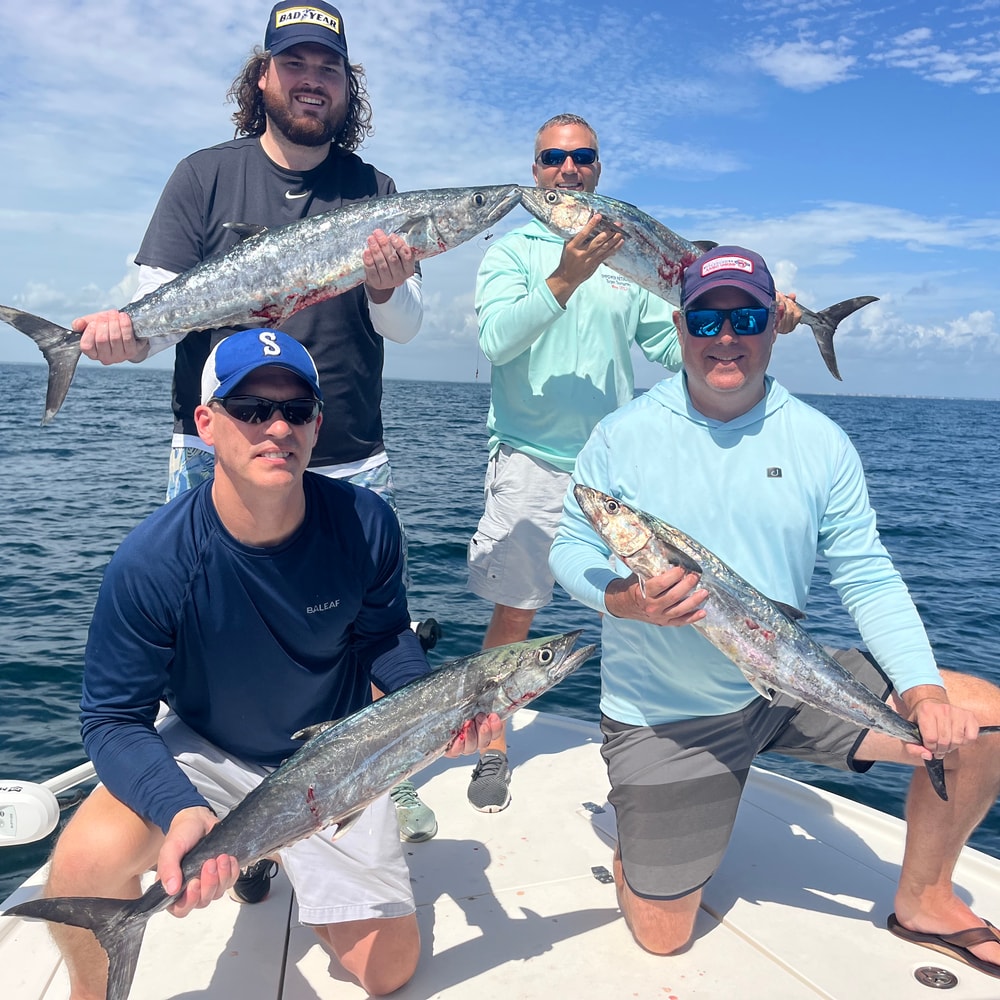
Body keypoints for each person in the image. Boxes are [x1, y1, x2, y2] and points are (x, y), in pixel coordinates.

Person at [548, 245, 1000, 976]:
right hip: (667, 715)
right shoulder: (622, 434)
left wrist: (921, 691)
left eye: (747, 317)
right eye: (707, 318)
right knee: (664, 937)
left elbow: (868, 574)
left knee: (980, 721)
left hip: (789, 680)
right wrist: (623, 600)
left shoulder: (821, 442)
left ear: (773, 327)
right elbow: (570, 543)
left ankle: (926, 899)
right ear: (680, 325)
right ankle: (643, 830)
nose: (726, 337)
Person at [70, 0, 436, 845]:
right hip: (217, 450)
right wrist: (122, 337)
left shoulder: (374, 189)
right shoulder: (202, 176)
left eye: (329, 68)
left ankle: (376, 779)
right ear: (262, 76)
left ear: (348, 87)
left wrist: (384, 284)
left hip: (342, 450)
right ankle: (197, 795)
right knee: (206, 638)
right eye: (296, 63)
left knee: (359, 630)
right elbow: (147, 305)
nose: (312, 81)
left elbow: (406, 326)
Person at [41, 329, 501, 1000]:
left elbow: (383, 638)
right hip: (209, 746)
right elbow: (113, 718)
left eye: (295, 409)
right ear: (207, 422)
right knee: (83, 862)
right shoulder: (152, 563)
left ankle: (275, 853)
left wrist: (436, 709)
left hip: (338, 755)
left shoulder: (365, 523)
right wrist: (181, 811)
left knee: (389, 971)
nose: (276, 426)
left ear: (317, 424)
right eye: (251, 408)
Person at [465, 113, 800, 813]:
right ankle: (491, 742)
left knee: (640, 611)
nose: (568, 169)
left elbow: (673, 342)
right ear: (535, 173)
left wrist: (756, 318)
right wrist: (564, 276)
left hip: (611, 472)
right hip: (529, 459)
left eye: (582, 158)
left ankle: (634, 745)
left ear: (598, 169)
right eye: (553, 159)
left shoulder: (629, 259)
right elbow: (497, 341)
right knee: (516, 612)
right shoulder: (511, 252)